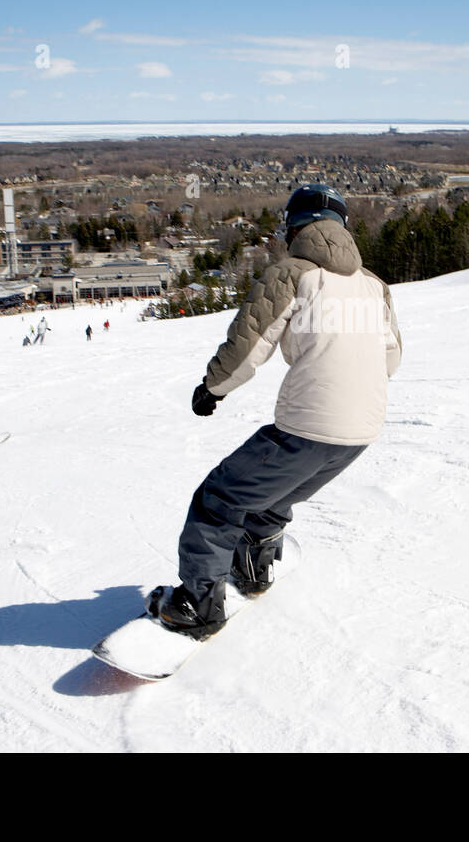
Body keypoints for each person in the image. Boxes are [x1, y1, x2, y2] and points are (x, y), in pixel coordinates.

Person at [147, 184, 403, 639]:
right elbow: (391, 359)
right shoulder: (374, 285)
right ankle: (254, 566)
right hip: (362, 430)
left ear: (293, 228)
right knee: (274, 493)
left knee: (219, 501)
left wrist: (213, 388)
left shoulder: (292, 275)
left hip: (309, 423)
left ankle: (198, 604)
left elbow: (249, 344)